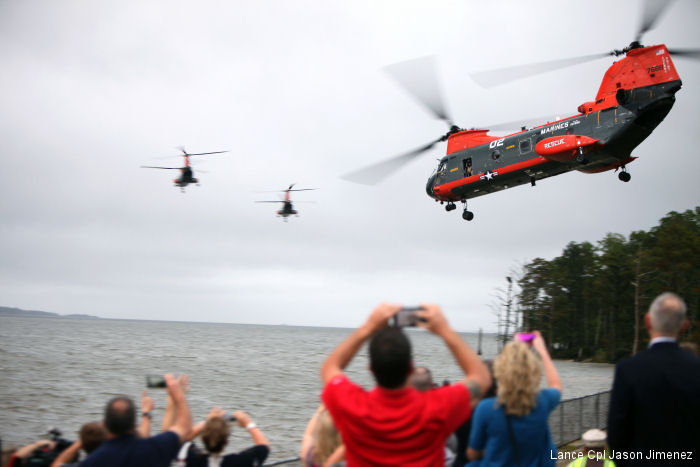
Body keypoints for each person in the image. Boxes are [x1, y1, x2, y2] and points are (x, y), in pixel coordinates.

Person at [321, 303, 491, 466]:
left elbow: (330, 368)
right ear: (411, 368)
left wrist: (368, 327)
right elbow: (481, 378)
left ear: (371, 369)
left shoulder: (353, 406)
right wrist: (444, 330)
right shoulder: (436, 408)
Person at [607, 292, 700, 466]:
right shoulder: (696, 368)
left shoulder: (628, 368)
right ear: (685, 325)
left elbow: (617, 431)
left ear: (647, 321)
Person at [466, 331, 562, 466]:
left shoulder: (486, 409)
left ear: (500, 370)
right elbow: (556, 386)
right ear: (534, 370)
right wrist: (542, 350)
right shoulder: (542, 402)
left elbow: (472, 453)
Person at [77, 373, 192, 467]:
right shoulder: (152, 450)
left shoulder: (92, 462)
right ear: (134, 424)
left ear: (105, 424)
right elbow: (182, 427)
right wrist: (177, 393)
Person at [176, 407, 270, 467]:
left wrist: (208, 422)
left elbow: (179, 440)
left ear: (203, 438)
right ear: (227, 442)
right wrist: (248, 423)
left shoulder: (192, 459)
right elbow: (264, 448)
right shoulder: (237, 462)